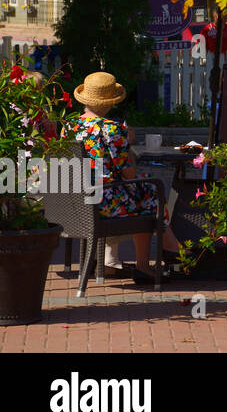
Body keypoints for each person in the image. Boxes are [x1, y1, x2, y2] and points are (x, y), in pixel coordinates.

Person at [62, 72, 182, 285]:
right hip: (101, 204)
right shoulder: (111, 129)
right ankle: (163, 255)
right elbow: (129, 174)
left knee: (147, 192)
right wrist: (128, 142)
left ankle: (169, 249)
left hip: (74, 203)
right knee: (152, 192)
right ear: (110, 102)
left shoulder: (68, 128)